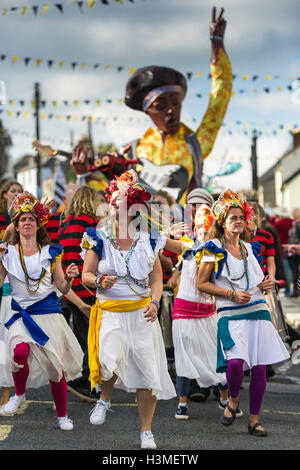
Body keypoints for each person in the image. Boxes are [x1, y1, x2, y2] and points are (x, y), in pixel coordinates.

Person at [70, 7, 232, 205]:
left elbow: (219, 100)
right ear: (148, 110)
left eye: (175, 103)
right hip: (144, 230)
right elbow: (109, 195)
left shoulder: (196, 144)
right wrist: (84, 174)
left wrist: (217, 47)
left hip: (187, 231)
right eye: (161, 106)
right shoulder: (132, 152)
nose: (171, 110)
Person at [81, 169, 176, 450]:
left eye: (121, 202)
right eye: (112, 201)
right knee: (109, 359)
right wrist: (98, 280)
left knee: (148, 373)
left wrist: (156, 302)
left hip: (142, 313)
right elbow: (86, 275)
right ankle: (104, 399)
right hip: (110, 310)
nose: (115, 205)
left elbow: (156, 276)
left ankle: (146, 431)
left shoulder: (148, 238)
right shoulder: (97, 237)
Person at [197, 189, 290, 436]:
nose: (238, 221)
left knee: (259, 367)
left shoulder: (251, 248)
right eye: (232, 218)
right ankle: (234, 399)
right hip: (230, 310)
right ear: (222, 223)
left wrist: (265, 285)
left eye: (241, 217)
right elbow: (201, 284)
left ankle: (255, 420)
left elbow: (253, 282)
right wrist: (231, 294)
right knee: (236, 363)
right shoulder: (212, 248)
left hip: (257, 308)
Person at [0, 192, 84, 430]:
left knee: (56, 370)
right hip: (20, 315)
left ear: (38, 225)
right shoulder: (6, 253)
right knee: (18, 351)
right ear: (16, 225)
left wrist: (68, 280)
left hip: (48, 314)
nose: (27, 223)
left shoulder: (50, 252)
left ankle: (62, 415)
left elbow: (61, 287)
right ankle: (18, 395)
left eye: (31, 219)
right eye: (23, 219)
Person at [172, 205, 231, 420]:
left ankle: (225, 399)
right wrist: (157, 232)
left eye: (205, 229)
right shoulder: (188, 249)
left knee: (217, 356)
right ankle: (182, 405)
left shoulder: (218, 251)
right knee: (184, 356)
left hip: (208, 312)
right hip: (183, 311)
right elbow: (166, 244)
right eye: (197, 228)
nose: (201, 232)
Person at [57, 185, 99, 402]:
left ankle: (82, 381)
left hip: (69, 288)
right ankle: (83, 382)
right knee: (89, 338)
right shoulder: (89, 224)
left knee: (79, 337)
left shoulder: (66, 225)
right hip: (85, 289)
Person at [0, 179, 23, 409]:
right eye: (13, 191)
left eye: (20, 192)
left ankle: (10, 395)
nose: (16, 194)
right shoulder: (5, 226)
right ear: (4, 195)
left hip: (19, 292)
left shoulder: (25, 224)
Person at [287, 208, 300, 297]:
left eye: (293, 213)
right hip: (294, 251)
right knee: (294, 272)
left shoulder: (298, 224)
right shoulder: (295, 223)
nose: (292, 214)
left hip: (296, 252)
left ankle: (295, 291)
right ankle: (295, 290)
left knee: (295, 272)